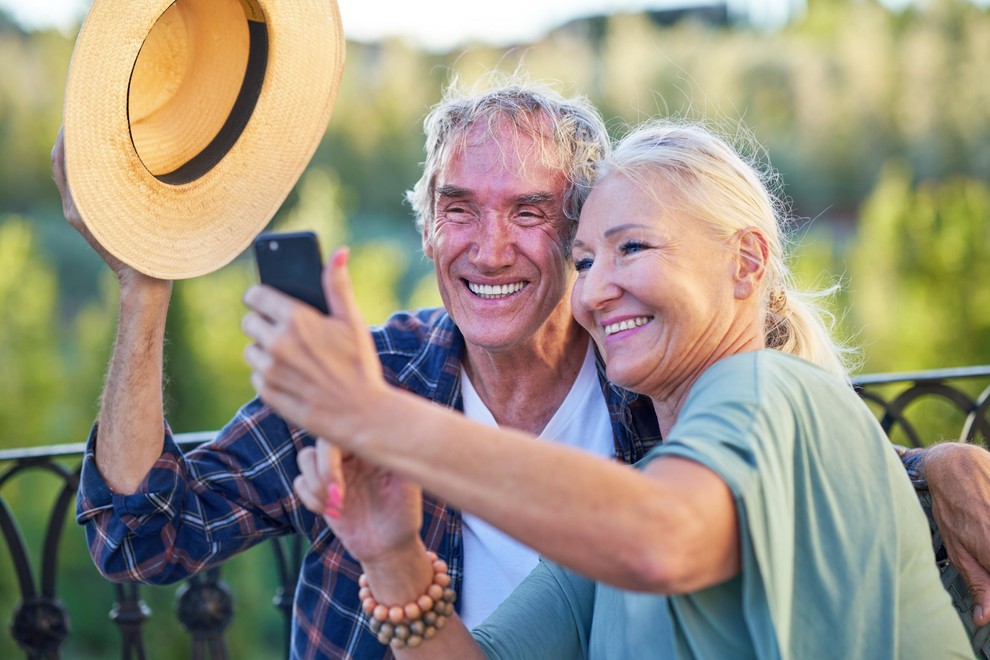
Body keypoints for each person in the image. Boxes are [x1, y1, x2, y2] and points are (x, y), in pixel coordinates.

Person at [54, 77, 990, 658]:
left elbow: (719, 501)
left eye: (534, 217)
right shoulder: (380, 373)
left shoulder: (648, 388)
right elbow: (143, 535)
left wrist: (931, 470)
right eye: (459, 209)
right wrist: (146, 285)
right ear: (427, 229)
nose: (489, 249)